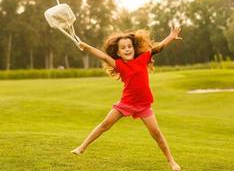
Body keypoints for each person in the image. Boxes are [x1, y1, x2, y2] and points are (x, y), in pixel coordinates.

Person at [71, 27, 182, 171]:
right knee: (105, 124)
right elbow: (104, 57)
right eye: (123, 48)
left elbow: (158, 48)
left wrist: (171, 36)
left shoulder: (143, 58)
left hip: (143, 105)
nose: (127, 49)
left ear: (134, 49)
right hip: (126, 103)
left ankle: (172, 161)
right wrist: (86, 47)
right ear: (118, 52)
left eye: (129, 46)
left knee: (156, 133)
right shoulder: (119, 65)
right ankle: (81, 147)